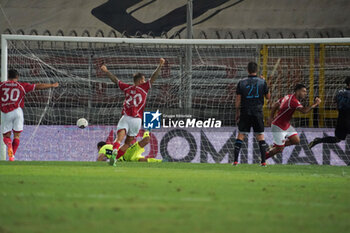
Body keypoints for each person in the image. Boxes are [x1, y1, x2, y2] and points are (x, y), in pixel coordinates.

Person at [100, 58, 165, 160]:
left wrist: (106, 71)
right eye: (144, 79)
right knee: (127, 143)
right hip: (136, 120)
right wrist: (160, 65)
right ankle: (115, 158)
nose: (145, 81)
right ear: (140, 81)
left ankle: (115, 150)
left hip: (125, 118)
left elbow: (116, 80)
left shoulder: (127, 88)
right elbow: (153, 78)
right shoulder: (144, 87)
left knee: (118, 139)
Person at [0, 69, 59, 161]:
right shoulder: (21, 85)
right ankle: (12, 156)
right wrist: (51, 85)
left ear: (7, 76)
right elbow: (39, 86)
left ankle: (9, 145)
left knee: (6, 136)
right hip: (18, 111)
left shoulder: (1, 85)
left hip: (5, 112)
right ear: (17, 77)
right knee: (17, 136)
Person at [266, 84, 321, 159]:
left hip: (285, 124)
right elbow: (304, 111)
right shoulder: (293, 101)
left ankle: (276, 145)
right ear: (297, 91)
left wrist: (271, 117)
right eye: (303, 91)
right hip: (278, 126)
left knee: (296, 140)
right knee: (279, 149)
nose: (305, 93)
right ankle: (263, 158)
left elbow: (276, 104)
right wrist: (315, 104)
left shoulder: (288, 96)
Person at [233, 62, 271, 166]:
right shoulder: (262, 82)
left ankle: (235, 161)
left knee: (241, 135)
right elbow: (268, 97)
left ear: (247, 70)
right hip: (257, 112)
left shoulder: (241, 82)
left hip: (245, 112)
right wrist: (265, 82)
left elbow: (238, 100)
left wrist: (237, 113)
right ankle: (263, 162)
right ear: (256, 70)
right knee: (260, 136)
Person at [309, 77, 350, 148]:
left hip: (341, 119)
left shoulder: (339, 92)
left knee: (337, 139)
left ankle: (319, 140)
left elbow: (336, 103)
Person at [96, 131, 161, 165]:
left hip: (126, 155)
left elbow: (100, 157)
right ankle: (161, 162)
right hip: (127, 160)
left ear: (99, 147)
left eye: (98, 149)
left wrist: (97, 165)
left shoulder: (103, 148)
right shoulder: (111, 147)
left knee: (146, 140)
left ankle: (147, 131)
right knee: (141, 161)